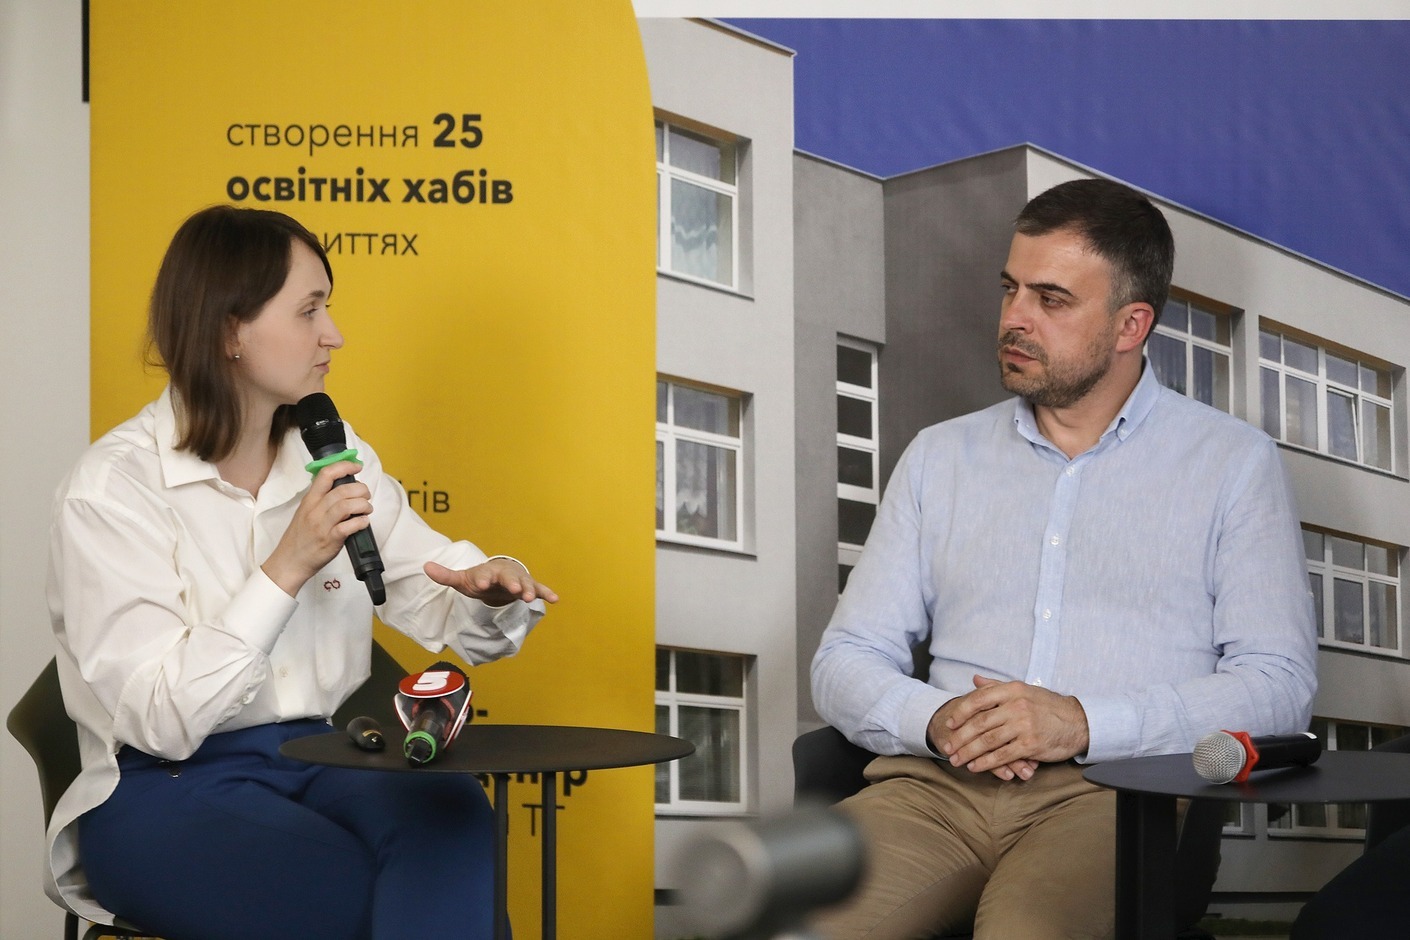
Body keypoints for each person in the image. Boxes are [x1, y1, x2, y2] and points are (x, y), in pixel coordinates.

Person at [809, 178, 1318, 940]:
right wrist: (938, 718)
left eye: (1051, 299)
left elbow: (1279, 687)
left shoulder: (1232, 464)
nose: (1014, 318)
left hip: (1118, 795)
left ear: (1131, 324)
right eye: (1010, 289)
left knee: (1026, 933)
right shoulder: (938, 458)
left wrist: (1083, 724)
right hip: (932, 790)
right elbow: (845, 658)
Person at [44, 205, 558, 940]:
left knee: (451, 818)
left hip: (322, 756)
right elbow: (161, 720)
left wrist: (488, 588)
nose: (334, 334)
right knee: (394, 903)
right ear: (230, 331)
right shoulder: (114, 487)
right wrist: (285, 567)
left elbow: (433, 590)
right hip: (164, 789)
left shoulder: (333, 451)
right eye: (310, 310)